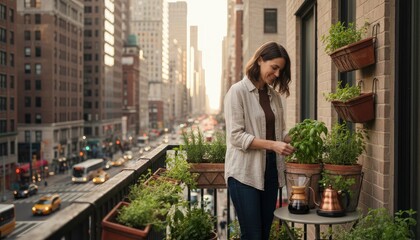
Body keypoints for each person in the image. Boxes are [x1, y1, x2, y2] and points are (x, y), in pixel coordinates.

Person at [224, 41, 295, 240]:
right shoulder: (237, 92)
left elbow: (278, 133)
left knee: (264, 234)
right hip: (244, 174)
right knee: (253, 235)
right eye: (274, 67)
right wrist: (273, 145)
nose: (278, 74)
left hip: (270, 171)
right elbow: (236, 136)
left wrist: (294, 137)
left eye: (281, 70)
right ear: (260, 60)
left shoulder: (274, 96)